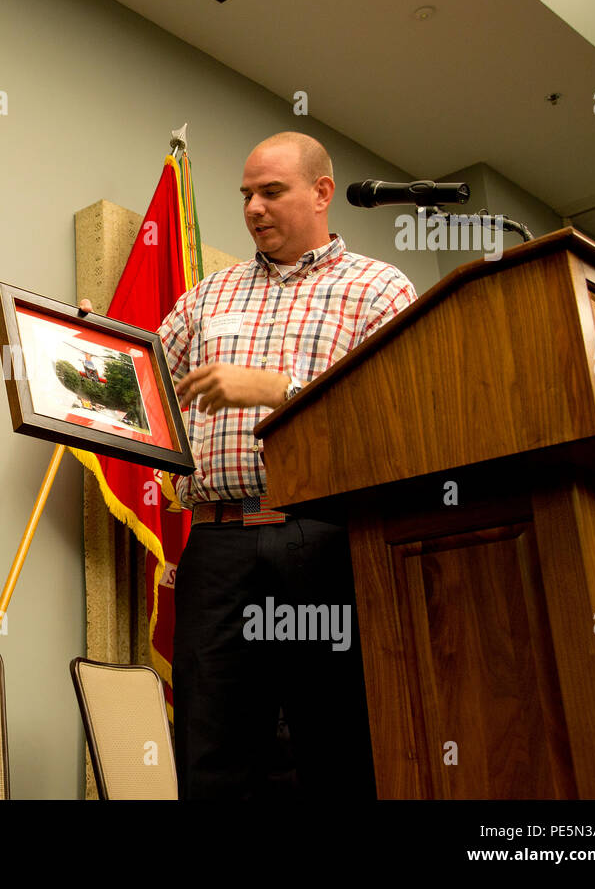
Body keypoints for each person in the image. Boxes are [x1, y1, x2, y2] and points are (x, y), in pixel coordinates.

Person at [83, 131, 417, 799]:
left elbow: (398, 414)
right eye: (245, 195)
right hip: (216, 550)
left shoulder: (379, 289)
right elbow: (144, 380)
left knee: (330, 739)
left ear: (321, 193)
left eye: (271, 192)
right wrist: (93, 347)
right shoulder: (211, 296)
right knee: (211, 746)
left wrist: (279, 388)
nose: (254, 209)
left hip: (321, 541)